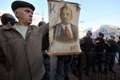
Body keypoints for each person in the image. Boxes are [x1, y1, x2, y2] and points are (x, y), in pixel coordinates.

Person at [0, 1, 48, 80]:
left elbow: (53, 23)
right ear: (16, 13)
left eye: (32, 13)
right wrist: (6, 76)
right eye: (27, 11)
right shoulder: (3, 33)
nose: (31, 14)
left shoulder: (37, 30)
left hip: (39, 76)